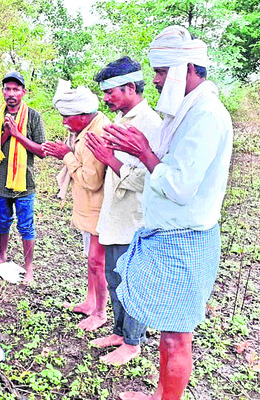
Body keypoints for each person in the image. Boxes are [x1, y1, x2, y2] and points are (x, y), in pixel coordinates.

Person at [102, 26, 233, 399]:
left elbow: (178, 186)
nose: (155, 80)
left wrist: (143, 150)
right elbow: (163, 164)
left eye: (161, 71)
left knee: (176, 337)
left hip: (184, 239)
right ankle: (162, 393)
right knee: (168, 331)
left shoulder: (206, 113)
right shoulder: (186, 109)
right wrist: (134, 150)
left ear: (186, 68)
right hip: (169, 235)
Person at [85, 57, 162, 364]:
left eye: (110, 92)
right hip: (114, 215)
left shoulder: (151, 124)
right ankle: (119, 331)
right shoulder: (120, 122)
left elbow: (149, 176)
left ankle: (133, 342)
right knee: (115, 276)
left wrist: (109, 158)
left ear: (131, 88)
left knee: (133, 281)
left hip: (135, 219)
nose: (105, 99)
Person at [42, 80, 110, 331]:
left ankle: (100, 313)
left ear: (82, 115)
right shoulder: (86, 127)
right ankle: (90, 301)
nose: (63, 123)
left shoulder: (96, 135)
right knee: (91, 260)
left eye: (66, 118)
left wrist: (65, 155)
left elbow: (91, 181)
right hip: (88, 208)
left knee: (97, 262)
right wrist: (66, 150)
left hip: (98, 209)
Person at [0, 72, 46, 283]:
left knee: (26, 225)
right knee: (2, 222)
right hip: (0, 180)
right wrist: (6, 134)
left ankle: (29, 268)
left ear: (23, 92)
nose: (11, 94)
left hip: (24, 182)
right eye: (7, 89)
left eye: (16, 89)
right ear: (2, 91)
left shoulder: (34, 117)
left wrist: (18, 134)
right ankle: (2, 256)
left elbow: (42, 151)